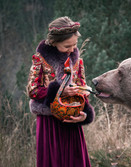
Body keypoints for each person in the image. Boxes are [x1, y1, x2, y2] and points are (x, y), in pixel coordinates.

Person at [27, 16, 94, 167]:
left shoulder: (76, 60)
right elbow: (33, 90)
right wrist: (59, 92)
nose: (71, 49)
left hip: (72, 119)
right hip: (49, 122)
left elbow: (81, 86)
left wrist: (84, 113)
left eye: (74, 45)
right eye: (66, 46)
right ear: (53, 43)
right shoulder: (40, 59)